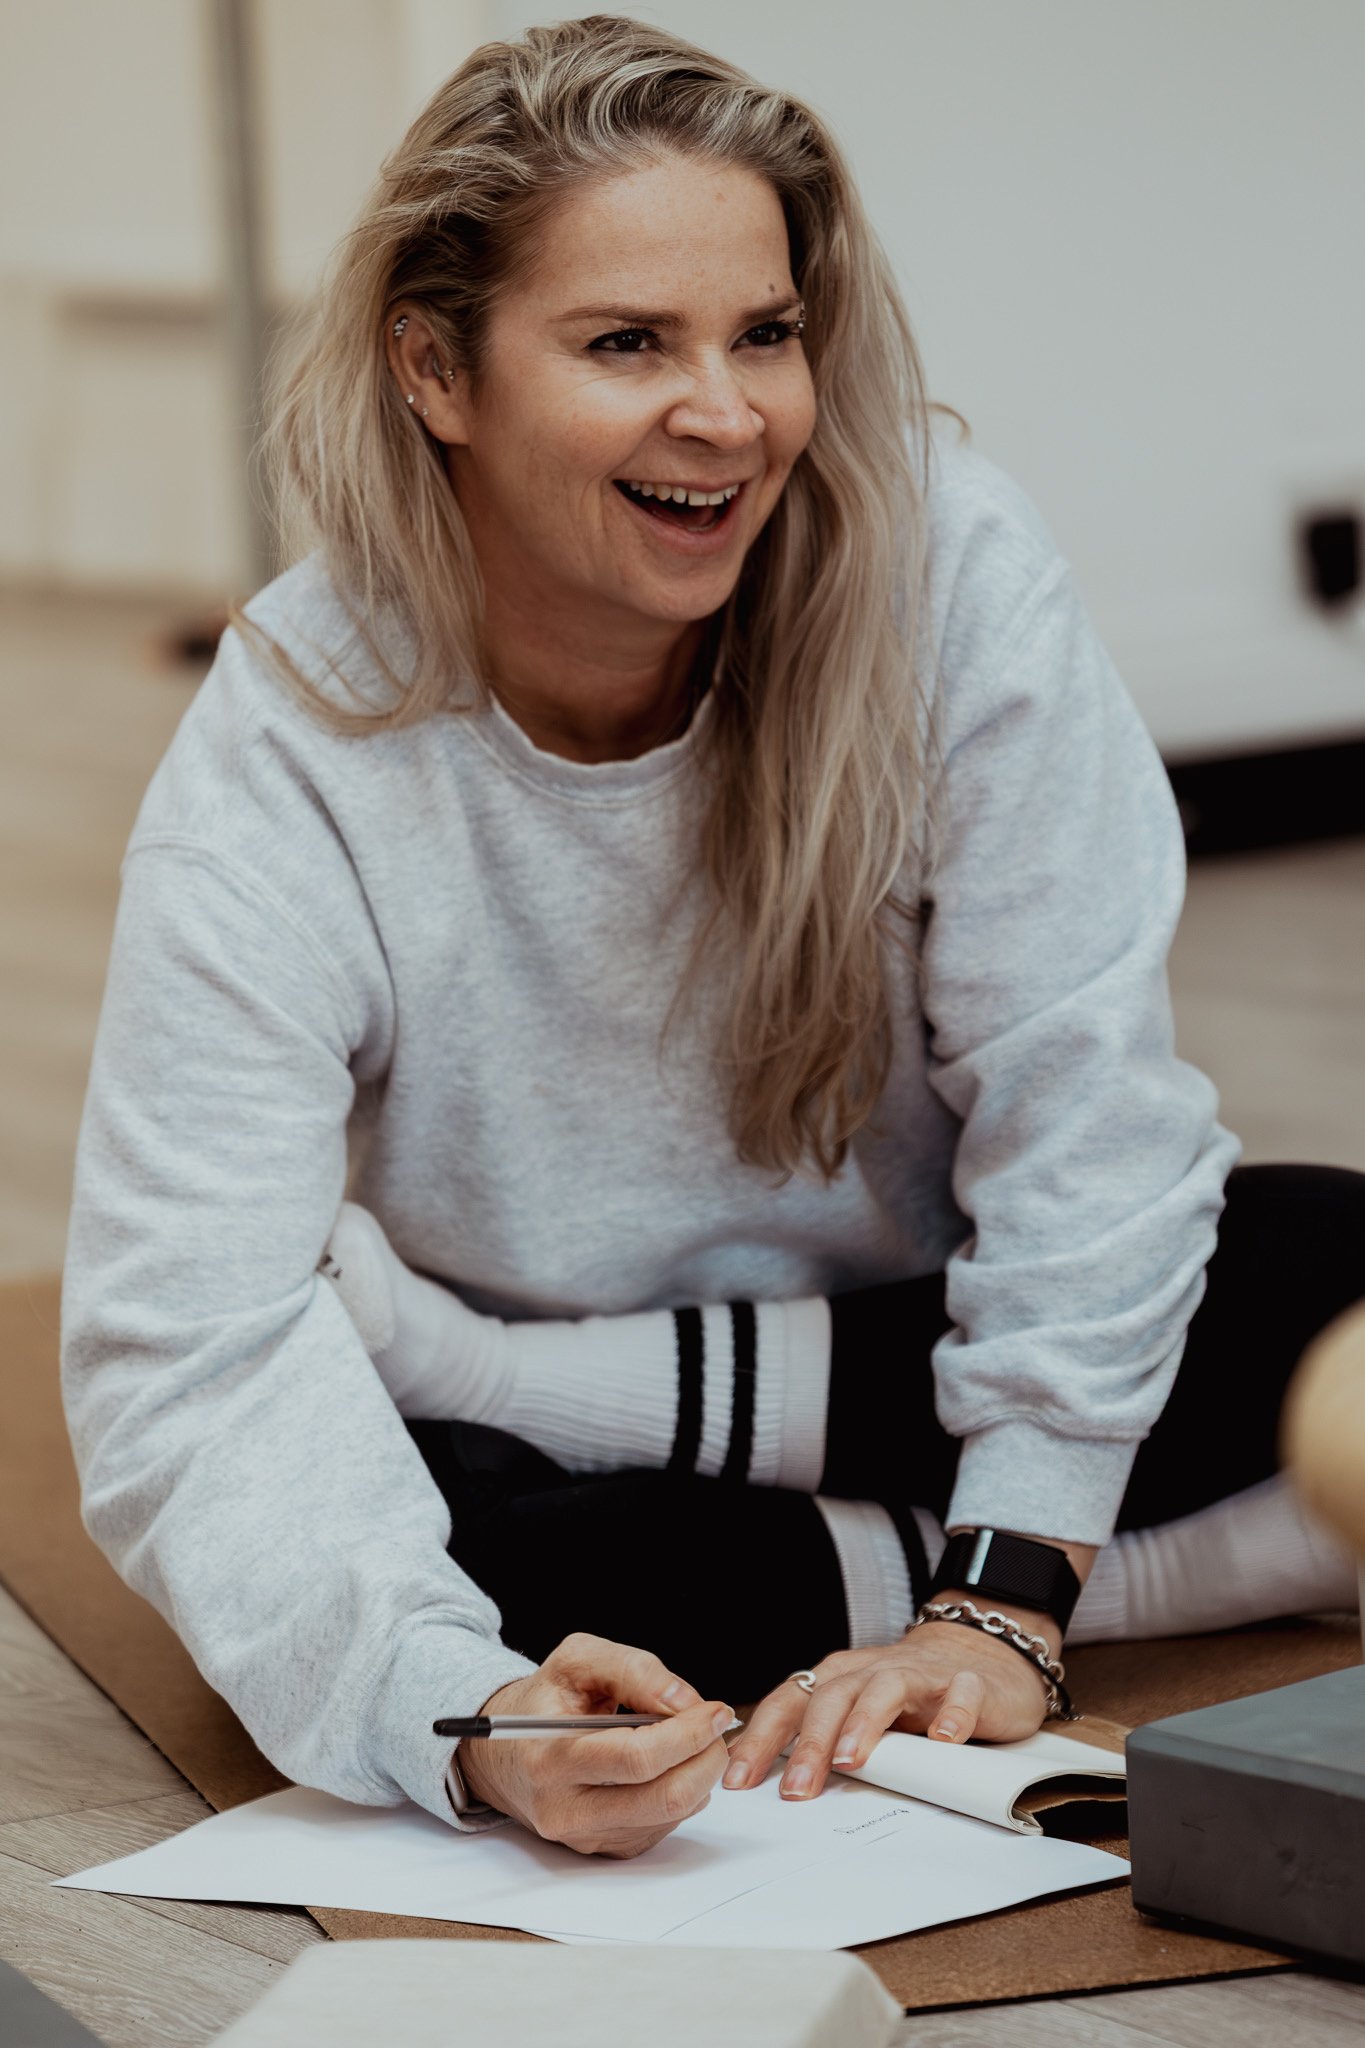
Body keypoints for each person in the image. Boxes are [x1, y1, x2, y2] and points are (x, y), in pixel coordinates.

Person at [62, 15, 1362, 1864]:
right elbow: (183, 1347)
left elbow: (1086, 1111)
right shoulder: (289, 740)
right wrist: (469, 1715)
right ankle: (1232, 1556)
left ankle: (1072, 1561)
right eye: (624, 344)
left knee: (1316, 1256)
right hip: (553, 1451)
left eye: (764, 331)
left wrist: (999, 1602)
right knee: (455, 1565)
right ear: (434, 370)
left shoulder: (948, 577)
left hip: (922, 1340)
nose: (728, 413)